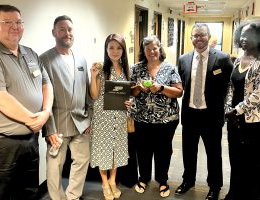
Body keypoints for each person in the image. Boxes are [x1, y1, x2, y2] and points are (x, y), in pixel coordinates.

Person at [0, 4, 53, 200]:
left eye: (18, 22)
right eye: (7, 22)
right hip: (2, 145)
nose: (14, 26)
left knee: (29, 192)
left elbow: (46, 84)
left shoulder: (30, 53)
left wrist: (46, 112)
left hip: (30, 141)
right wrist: (34, 119)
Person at [176, 23, 234, 200]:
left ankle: (215, 186)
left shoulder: (223, 59)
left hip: (212, 115)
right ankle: (188, 181)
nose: (198, 39)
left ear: (208, 36)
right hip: (190, 114)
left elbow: (230, 86)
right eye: (195, 36)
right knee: (188, 151)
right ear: (191, 38)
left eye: (202, 35)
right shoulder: (183, 59)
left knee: (214, 153)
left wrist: (227, 108)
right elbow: (181, 85)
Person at [39, 15, 92, 200]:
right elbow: (42, 98)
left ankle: (73, 196)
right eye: (62, 29)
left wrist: (89, 118)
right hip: (57, 126)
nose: (67, 33)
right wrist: (49, 129)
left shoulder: (81, 60)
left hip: (81, 122)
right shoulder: (44, 60)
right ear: (54, 32)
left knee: (82, 161)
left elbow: (86, 92)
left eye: (69, 29)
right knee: (54, 167)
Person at [131, 35, 183, 198]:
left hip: (166, 119)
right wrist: (139, 89)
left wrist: (161, 87)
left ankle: (162, 180)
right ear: (143, 51)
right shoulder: (136, 68)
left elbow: (179, 92)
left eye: (154, 48)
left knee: (163, 150)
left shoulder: (170, 68)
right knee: (143, 150)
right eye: (148, 49)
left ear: (160, 49)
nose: (152, 52)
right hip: (142, 118)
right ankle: (144, 178)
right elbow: (130, 91)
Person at [90, 33, 130, 200]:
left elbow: (128, 94)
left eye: (118, 48)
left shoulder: (128, 70)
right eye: (111, 47)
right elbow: (93, 95)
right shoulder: (101, 70)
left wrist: (129, 103)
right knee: (103, 150)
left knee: (115, 150)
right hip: (103, 119)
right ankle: (105, 183)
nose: (115, 51)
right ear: (106, 49)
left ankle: (113, 181)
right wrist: (93, 76)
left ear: (123, 50)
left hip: (119, 118)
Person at [224, 21, 260, 200]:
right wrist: (228, 108)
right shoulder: (238, 59)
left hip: (253, 122)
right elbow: (231, 86)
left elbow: (257, 95)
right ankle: (235, 193)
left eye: (250, 35)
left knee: (251, 161)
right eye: (242, 35)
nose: (244, 39)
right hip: (234, 120)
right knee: (235, 158)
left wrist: (236, 110)